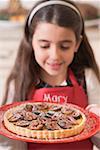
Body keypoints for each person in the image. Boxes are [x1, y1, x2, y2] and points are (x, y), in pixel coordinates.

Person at [1, 0, 100, 150]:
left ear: (77, 44)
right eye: (45, 45)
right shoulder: (20, 83)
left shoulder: (86, 78)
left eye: (64, 46)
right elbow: (13, 146)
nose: (55, 55)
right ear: (31, 41)